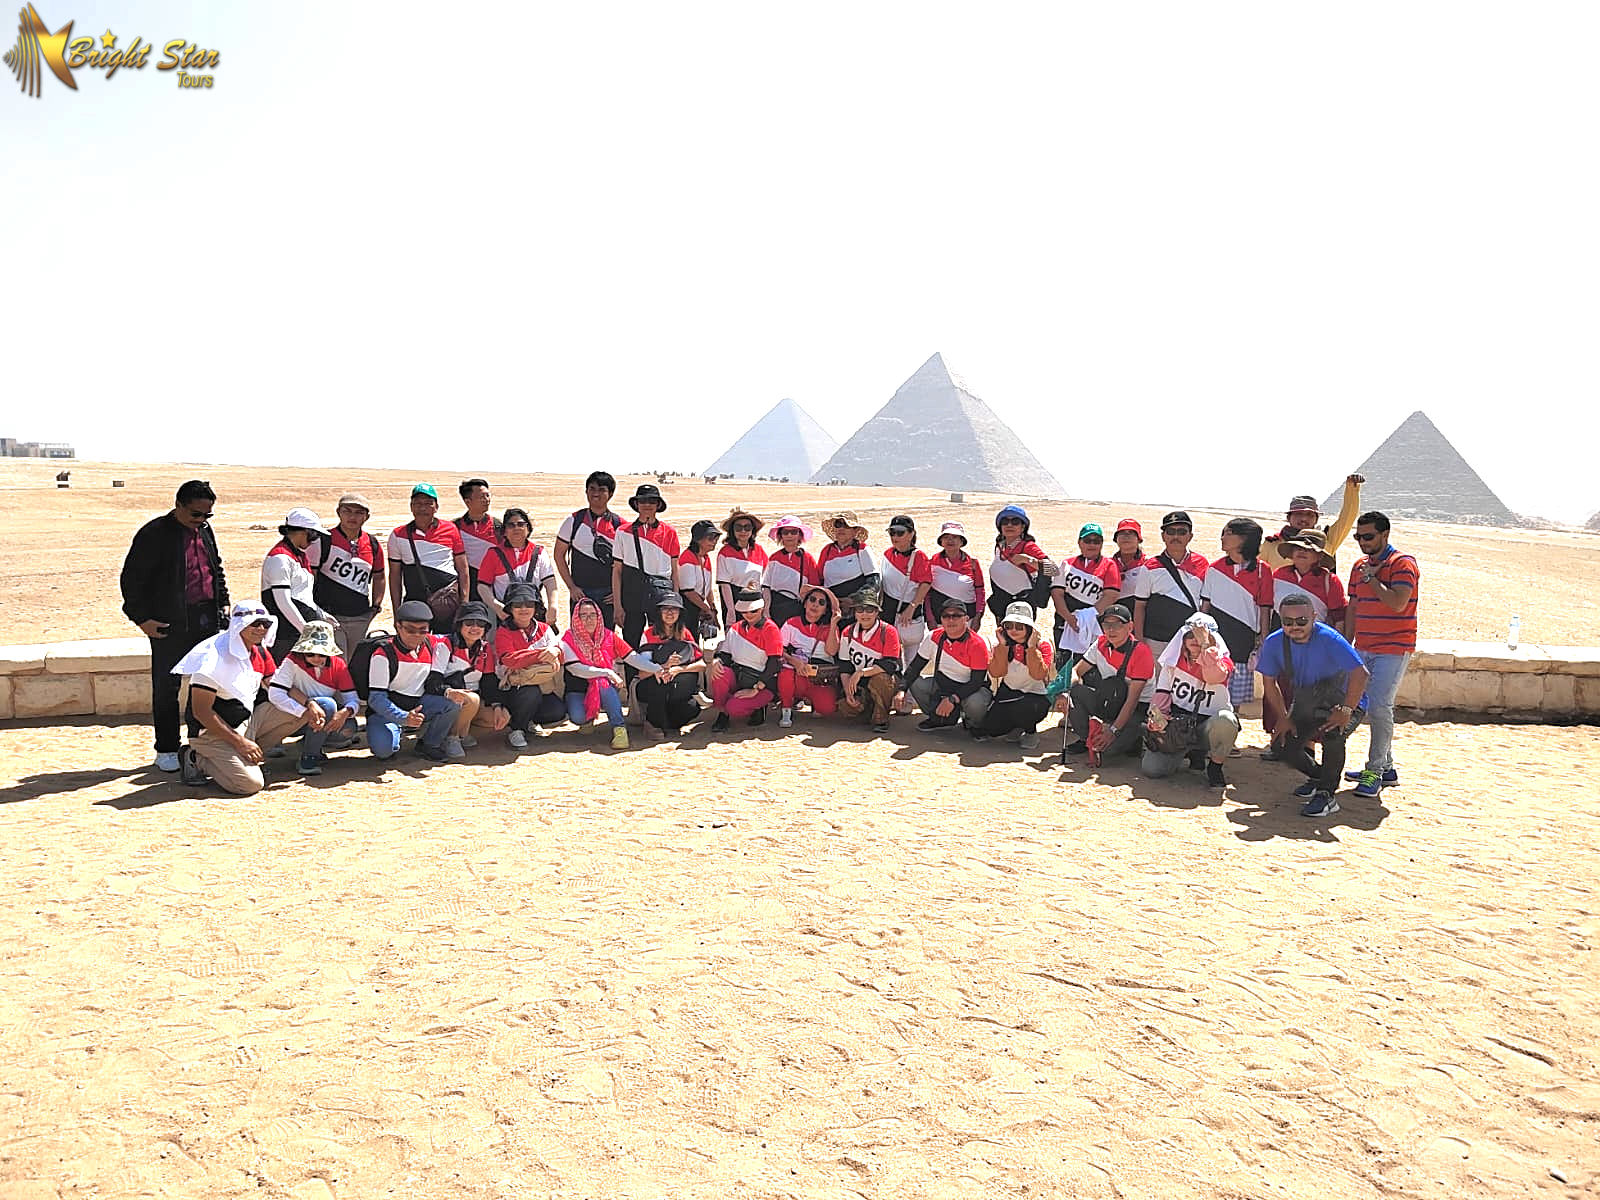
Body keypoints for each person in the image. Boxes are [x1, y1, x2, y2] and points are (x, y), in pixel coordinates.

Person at [120, 480, 230, 772]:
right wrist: (141, 619)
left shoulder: (204, 531)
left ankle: (199, 744)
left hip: (206, 619)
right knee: (167, 688)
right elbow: (131, 580)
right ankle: (167, 748)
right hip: (168, 623)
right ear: (178, 505)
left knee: (205, 684)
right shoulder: (154, 534)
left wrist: (224, 603)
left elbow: (214, 568)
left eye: (207, 515)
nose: (201, 521)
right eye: (196, 514)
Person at [1258, 594, 1371, 818]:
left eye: (1301, 621)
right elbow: (1269, 683)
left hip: (1344, 701)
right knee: (1282, 745)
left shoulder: (1330, 638)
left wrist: (1347, 710)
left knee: (1333, 735)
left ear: (1314, 617)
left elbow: (1360, 674)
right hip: (1308, 701)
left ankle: (1326, 794)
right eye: (1288, 622)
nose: (1294, 627)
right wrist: (1282, 717)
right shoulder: (1274, 642)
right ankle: (1320, 778)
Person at [1343, 511, 1420, 798]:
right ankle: (1386, 768)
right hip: (1364, 646)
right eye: (1358, 536)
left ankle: (1374, 771)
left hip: (1393, 648)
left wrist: (1373, 580)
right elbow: (1353, 607)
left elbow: (1398, 603)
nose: (1362, 542)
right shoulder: (1359, 566)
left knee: (1379, 707)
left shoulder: (1402, 564)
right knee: (1360, 704)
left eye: (1368, 536)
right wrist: (1347, 646)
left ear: (1384, 535)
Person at [173, 600, 276, 793]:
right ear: (239, 624)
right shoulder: (212, 659)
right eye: (255, 623)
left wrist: (309, 704)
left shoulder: (259, 651)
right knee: (250, 785)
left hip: (244, 722)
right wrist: (240, 742)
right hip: (212, 734)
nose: (261, 628)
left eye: (265, 623)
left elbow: (277, 687)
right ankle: (196, 758)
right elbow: (201, 712)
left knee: (297, 712)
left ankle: (242, 756)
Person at [1140, 613, 1238, 789]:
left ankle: (1215, 766)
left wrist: (1206, 644)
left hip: (1207, 725)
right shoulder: (1173, 660)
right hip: (1178, 727)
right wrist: (1158, 719)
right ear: (1182, 638)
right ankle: (1190, 753)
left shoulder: (1222, 662)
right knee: (1152, 770)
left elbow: (1213, 675)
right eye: (1190, 635)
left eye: (1200, 636)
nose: (1195, 640)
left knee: (1227, 720)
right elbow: (1162, 694)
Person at [249, 620, 359, 777]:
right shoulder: (291, 661)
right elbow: (276, 693)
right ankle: (310, 756)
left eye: (322, 654)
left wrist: (346, 712)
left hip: (319, 717)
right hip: (291, 715)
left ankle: (310, 746)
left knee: (348, 728)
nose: (316, 658)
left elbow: (352, 699)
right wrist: (304, 711)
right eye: (310, 653)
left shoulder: (338, 665)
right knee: (327, 704)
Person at [365, 600, 466, 763]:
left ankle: (429, 744)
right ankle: (396, 729)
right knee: (384, 751)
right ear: (398, 626)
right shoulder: (383, 654)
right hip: (387, 710)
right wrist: (403, 717)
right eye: (410, 630)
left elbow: (456, 637)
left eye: (422, 630)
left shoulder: (431, 643)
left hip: (419, 704)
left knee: (452, 703)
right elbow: (376, 699)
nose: (417, 635)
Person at [1056, 604, 1156, 763]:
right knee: (1074, 692)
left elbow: (1132, 702)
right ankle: (1086, 739)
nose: (1111, 630)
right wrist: (1064, 691)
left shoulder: (1141, 653)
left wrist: (1113, 731)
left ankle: (1135, 735)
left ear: (1130, 627)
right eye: (1107, 625)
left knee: (1108, 751)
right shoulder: (1100, 643)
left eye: (1117, 625)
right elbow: (1076, 670)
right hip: (1111, 700)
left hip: (1137, 708)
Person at [1200, 517, 1275, 711]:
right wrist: (1201, 637)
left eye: (1228, 533)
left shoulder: (1262, 570)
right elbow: (1205, 606)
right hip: (1217, 639)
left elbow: (1265, 607)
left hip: (1244, 640)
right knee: (1212, 690)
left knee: (1235, 699)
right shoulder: (1214, 568)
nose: (1222, 537)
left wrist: (1263, 638)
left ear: (1244, 538)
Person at [386, 483, 468, 634]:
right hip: (415, 601)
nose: (422, 508)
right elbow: (395, 577)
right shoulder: (398, 535)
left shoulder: (450, 529)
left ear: (436, 507)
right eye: (417, 503)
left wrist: (464, 604)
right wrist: (397, 611)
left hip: (447, 603)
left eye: (427, 503)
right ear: (411, 507)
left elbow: (463, 569)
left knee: (446, 646)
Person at [493, 584, 567, 748]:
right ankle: (516, 729)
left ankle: (527, 720)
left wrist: (555, 651)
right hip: (512, 687)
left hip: (541, 684)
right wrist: (542, 653)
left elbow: (560, 655)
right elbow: (509, 660)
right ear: (510, 608)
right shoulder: (503, 631)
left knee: (557, 711)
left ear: (536, 608)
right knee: (530, 693)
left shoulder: (544, 628)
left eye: (529, 604)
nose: (523, 608)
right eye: (517, 604)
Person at [626, 589, 707, 738]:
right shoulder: (649, 634)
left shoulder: (685, 633)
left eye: (674, 609)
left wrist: (678, 669)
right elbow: (642, 673)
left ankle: (663, 721)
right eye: (665, 608)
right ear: (659, 612)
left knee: (692, 708)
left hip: (677, 687)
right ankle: (652, 724)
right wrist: (664, 666)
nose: (670, 613)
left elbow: (701, 664)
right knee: (660, 682)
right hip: (651, 685)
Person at [972, 601, 1053, 749]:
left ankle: (1030, 732)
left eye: (1019, 626)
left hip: (1035, 697)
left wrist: (1030, 648)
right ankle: (1016, 728)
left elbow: (1038, 674)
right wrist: (1003, 646)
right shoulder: (1002, 646)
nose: (1013, 630)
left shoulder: (1043, 646)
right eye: (1009, 626)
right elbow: (996, 672)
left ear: (1029, 627)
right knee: (991, 728)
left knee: (1022, 709)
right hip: (1008, 693)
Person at [906, 598, 994, 732]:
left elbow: (976, 681)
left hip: (970, 688)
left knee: (976, 702)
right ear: (941, 619)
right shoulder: (933, 637)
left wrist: (953, 699)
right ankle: (938, 719)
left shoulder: (977, 644)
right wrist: (901, 690)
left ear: (966, 618)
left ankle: (973, 723)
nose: (951, 620)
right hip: (943, 686)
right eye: (946, 616)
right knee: (916, 683)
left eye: (956, 616)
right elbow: (915, 667)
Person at [315, 493, 386, 656]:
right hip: (329, 616)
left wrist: (375, 606)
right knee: (336, 663)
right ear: (338, 512)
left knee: (353, 663)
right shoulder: (324, 540)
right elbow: (312, 574)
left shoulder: (373, 544)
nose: (352, 517)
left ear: (367, 517)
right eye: (347, 511)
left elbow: (379, 576)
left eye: (359, 513)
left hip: (359, 616)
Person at [613, 483, 681, 652]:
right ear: (636, 504)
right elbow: (617, 571)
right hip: (632, 593)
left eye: (652, 501)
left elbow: (675, 569)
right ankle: (633, 677)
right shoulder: (622, 532)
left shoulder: (669, 532)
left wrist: (675, 600)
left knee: (662, 640)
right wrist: (618, 605)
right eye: (643, 501)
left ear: (658, 505)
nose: (647, 505)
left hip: (661, 594)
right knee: (631, 641)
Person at [1133, 510, 1208, 659]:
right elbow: (1140, 606)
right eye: (1171, 531)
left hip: (1190, 641)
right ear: (1163, 536)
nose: (1176, 536)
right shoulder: (1150, 567)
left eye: (1181, 532)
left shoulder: (1202, 564)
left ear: (1190, 536)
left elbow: (1206, 604)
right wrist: (1140, 640)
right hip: (1155, 641)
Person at [262, 507, 332, 665]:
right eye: (313, 535)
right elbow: (283, 602)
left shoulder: (300, 556)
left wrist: (320, 613)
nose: (314, 540)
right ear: (303, 532)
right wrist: (306, 631)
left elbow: (302, 595)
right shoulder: (279, 558)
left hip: (299, 634)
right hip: (286, 636)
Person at [554, 471, 623, 629]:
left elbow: (626, 563)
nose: (596, 493)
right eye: (592, 489)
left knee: (606, 640)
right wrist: (571, 587)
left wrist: (619, 593)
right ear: (586, 492)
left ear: (611, 494)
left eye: (601, 489)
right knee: (579, 640)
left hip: (608, 595)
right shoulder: (573, 521)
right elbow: (558, 555)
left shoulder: (619, 525)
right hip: (581, 593)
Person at [561, 597, 633, 749]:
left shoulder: (608, 636)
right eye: (583, 615)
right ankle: (588, 719)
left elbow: (632, 657)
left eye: (592, 615)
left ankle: (619, 729)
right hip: (578, 689)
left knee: (602, 682)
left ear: (599, 616)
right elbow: (576, 669)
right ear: (576, 617)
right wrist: (608, 672)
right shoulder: (567, 638)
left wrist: (658, 668)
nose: (589, 619)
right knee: (578, 717)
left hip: (603, 687)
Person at [707, 591, 783, 732]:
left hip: (762, 683)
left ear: (761, 608)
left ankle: (757, 706)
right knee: (719, 673)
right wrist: (717, 661)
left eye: (753, 610)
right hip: (739, 677)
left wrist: (756, 689)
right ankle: (723, 713)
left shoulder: (771, 629)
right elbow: (725, 655)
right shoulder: (735, 628)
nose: (748, 614)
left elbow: (775, 663)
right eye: (744, 611)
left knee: (734, 708)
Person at [880, 515, 933, 714]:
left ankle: (908, 701)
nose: (895, 537)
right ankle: (892, 698)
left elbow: (926, 583)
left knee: (911, 660)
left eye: (900, 533)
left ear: (911, 534)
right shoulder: (887, 554)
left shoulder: (918, 556)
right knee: (892, 659)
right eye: (892, 532)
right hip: (888, 616)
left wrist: (911, 607)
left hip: (909, 617)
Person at [1051, 522, 1123, 666]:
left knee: (1086, 665)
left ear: (1101, 544)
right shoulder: (1067, 564)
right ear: (1079, 542)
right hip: (1063, 622)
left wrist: (1087, 616)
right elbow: (1057, 593)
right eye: (1087, 540)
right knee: (1062, 665)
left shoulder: (1109, 565)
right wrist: (1069, 618)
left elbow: (1111, 596)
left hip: (1092, 625)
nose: (1092, 544)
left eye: (1096, 541)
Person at [1262, 475, 1365, 572]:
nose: (1303, 519)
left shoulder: (1326, 541)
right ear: (1288, 518)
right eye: (1298, 514)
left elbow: (1347, 518)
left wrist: (1352, 489)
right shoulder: (1271, 544)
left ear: (1316, 519)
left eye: (1309, 515)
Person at [443, 601, 508, 754]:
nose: (475, 627)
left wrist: (497, 706)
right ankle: (452, 737)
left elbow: (489, 680)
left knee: (500, 717)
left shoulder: (485, 648)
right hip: (448, 698)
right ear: (459, 625)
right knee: (472, 700)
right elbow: (433, 679)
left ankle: (462, 729)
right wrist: (449, 692)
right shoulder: (446, 644)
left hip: (474, 699)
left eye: (480, 623)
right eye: (469, 622)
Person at [478, 507, 558, 626]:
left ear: (528, 528)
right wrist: (498, 608)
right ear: (504, 531)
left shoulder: (539, 552)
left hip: (533, 615)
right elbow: (483, 586)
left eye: (520, 524)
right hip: (505, 616)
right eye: (511, 525)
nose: (516, 528)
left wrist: (553, 607)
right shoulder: (493, 554)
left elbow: (550, 583)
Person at [836, 588, 901, 734]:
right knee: (845, 708)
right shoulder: (848, 632)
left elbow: (890, 665)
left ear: (877, 612)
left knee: (880, 679)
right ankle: (868, 707)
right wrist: (848, 692)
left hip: (884, 679)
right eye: (860, 609)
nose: (864, 614)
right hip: (860, 683)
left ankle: (882, 717)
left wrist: (862, 672)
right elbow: (845, 666)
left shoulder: (888, 631)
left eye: (870, 609)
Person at [777, 585, 841, 728]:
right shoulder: (791, 623)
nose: (815, 604)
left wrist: (833, 624)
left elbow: (831, 651)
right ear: (805, 603)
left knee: (827, 709)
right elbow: (778, 650)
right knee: (786, 671)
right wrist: (794, 661)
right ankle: (786, 709)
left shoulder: (830, 628)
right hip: (796, 673)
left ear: (826, 610)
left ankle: (811, 701)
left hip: (818, 677)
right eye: (812, 599)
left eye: (821, 603)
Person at [988, 505, 1055, 627]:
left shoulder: (1028, 547)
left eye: (1015, 522)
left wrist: (1026, 559)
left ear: (1023, 527)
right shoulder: (1000, 546)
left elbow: (1053, 569)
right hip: (1001, 602)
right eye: (1005, 522)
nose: (1009, 525)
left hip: (1022, 605)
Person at [1272, 529, 1348, 628]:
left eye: (1309, 549)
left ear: (1319, 556)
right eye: (1298, 547)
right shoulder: (1278, 574)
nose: (1302, 551)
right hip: (1280, 635)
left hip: (1316, 638)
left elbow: (1339, 617)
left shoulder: (1329, 581)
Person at [817, 512, 879, 623]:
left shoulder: (862, 548)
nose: (842, 529)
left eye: (846, 525)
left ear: (854, 531)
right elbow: (820, 580)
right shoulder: (826, 550)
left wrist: (853, 600)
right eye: (838, 525)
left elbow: (874, 581)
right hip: (831, 609)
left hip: (857, 611)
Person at [926, 522, 986, 630]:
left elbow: (980, 591)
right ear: (941, 541)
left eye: (955, 537)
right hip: (939, 618)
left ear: (961, 541)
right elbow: (926, 593)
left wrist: (978, 617)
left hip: (967, 617)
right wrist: (930, 618)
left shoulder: (973, 563)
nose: (950, 540)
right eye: (946, 537)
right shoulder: (931, 562)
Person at [763, 515, 821, 628]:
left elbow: (814, 588)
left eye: (794, 532)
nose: (789, 535)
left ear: (800, 535)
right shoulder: (774, 558)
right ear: (780, 535)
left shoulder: (808, 558)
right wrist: (766, 610)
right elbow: (766, 587)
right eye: (785, 532)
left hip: (797, 609)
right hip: (775, 608)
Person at [716, 509, 768, 624]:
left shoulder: (759, 550)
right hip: (735, 601)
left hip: (756, 603)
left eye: (747, 527)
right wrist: (731, 611)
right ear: (732, 531)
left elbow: (766, 582)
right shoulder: (725, 553)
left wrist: (765, 608)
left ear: (752, 530)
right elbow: (724, 585)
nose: (743, 531)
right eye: (738, 528)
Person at [453, 478, 502, 600]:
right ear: (467, 501)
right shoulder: (455, 527)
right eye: (481, 497)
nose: (487, 500)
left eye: (488, 495)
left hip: (492, 590)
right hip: (465, 588)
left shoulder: (498, 526)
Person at [679, 519, 721, 643]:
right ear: (698, 539)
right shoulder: (688, 557)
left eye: (716, 537)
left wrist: (712, 608)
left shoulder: (705, 558)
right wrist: (706, 609)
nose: (714, 541)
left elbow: (707, 588)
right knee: (689, 638)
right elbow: (688, 591)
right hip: (687, 605)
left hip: (697, 604)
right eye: (710, 537)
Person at [1110, 520, 1153, 611]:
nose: (1126, 536)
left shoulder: (1149, 564)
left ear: (1139, 539)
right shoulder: (1108, 564)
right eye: (1122, 533)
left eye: (1131, 533)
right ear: (1116, 539)